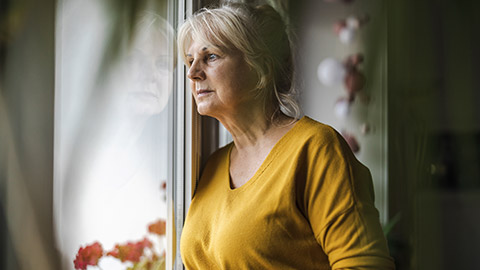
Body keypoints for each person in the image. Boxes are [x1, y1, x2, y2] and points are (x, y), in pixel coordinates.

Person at [178, 3, 394, 269]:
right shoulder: (212, 165)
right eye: (190, 60)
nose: (192, 73)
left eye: (210, 56)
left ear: (262, 67)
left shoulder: (316, 148)